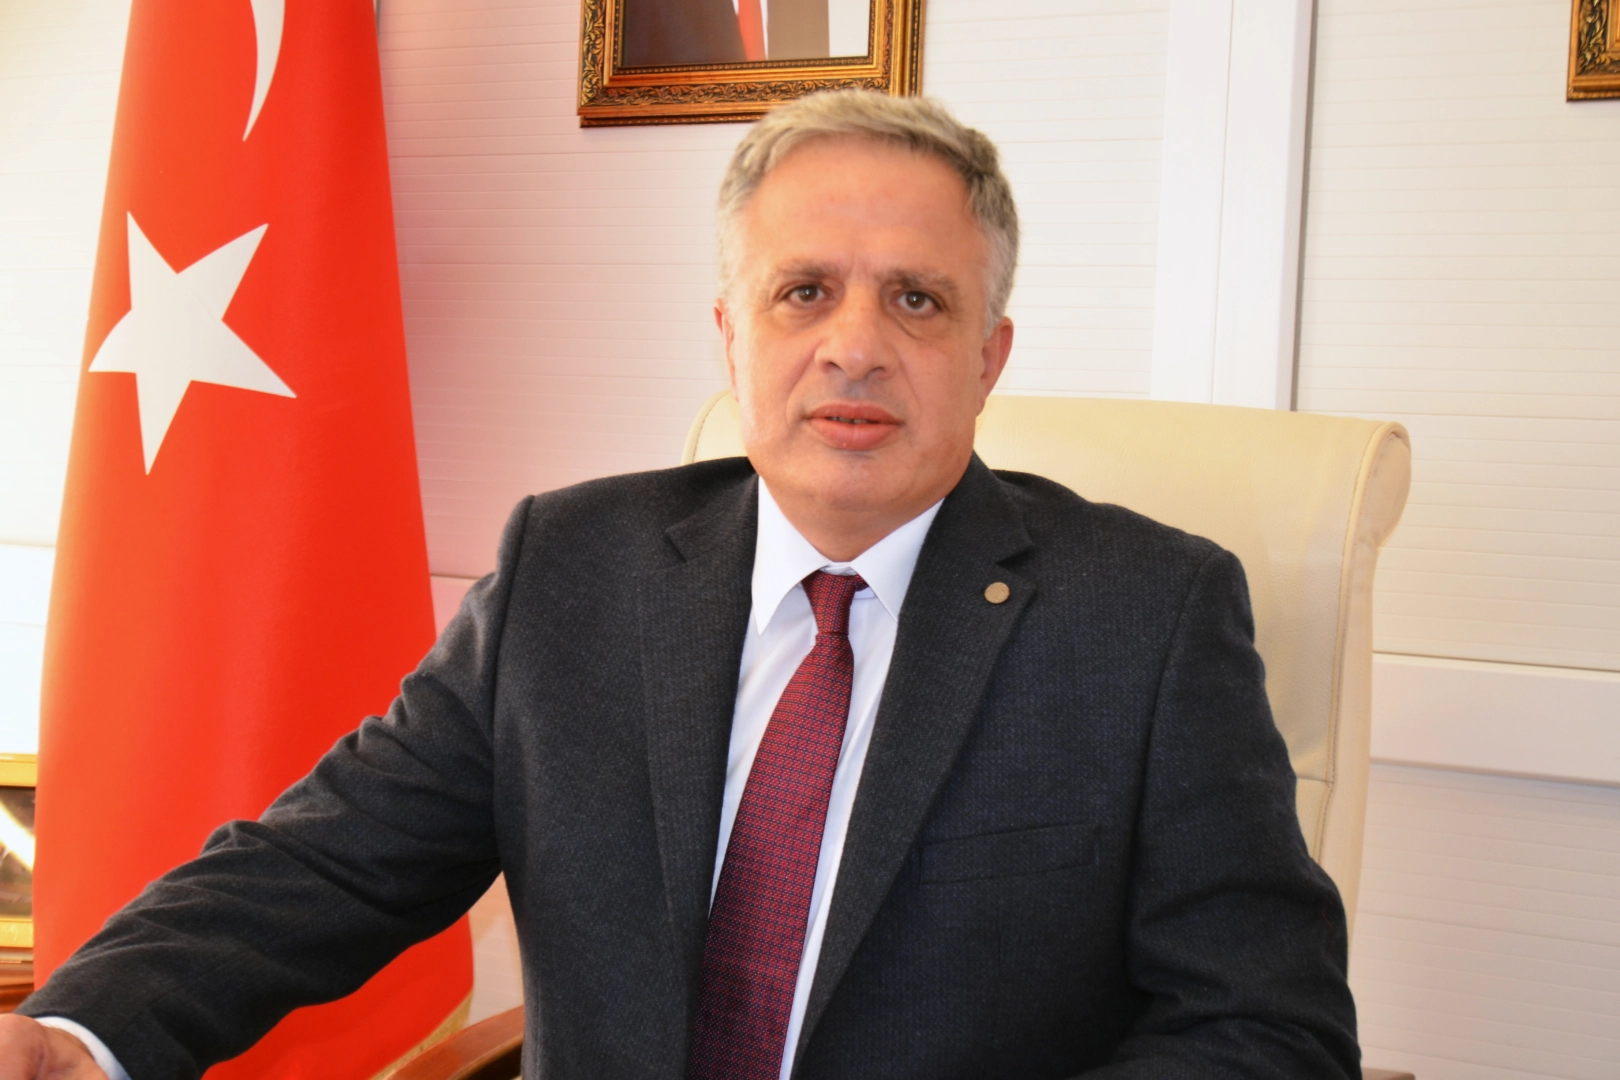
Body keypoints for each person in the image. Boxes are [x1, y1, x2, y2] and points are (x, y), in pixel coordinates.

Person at [2, 90, 1360, 1080]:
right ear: (731, 335)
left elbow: (1268, 1026)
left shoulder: (1146, 618)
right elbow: (328, 861)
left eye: (917, 300)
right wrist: (81, 1031)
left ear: (991, 355)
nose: (854, 347)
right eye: (803, 291)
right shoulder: (571, 570)